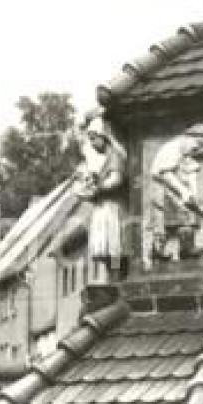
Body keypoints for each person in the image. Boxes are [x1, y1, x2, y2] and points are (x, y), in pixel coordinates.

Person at [149, 124, 203, 259]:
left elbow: (190, 175)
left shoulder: (186, 154)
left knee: (187, 221)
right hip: (167, 194)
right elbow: (165, 174)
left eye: (202, 147)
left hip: (178, 196)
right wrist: (183, 191)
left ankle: (186, 250)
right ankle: (158, 251)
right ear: (189, 137)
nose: (199, 150)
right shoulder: (172, 148)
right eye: (197, 145)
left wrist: (191, 193)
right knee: (167, 225)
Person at [76, 115, 127, 285]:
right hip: (102, 206)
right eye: (90, 140)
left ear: (104, 136)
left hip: (112, 206)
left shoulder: (115, 156)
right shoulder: (104, 160)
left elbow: (116, 180)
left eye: (94, 139)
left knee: (114, 245)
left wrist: (99, 187)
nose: (92, 143)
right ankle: (111, 278)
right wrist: (88, 192)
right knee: (104, 247)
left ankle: (117, 278)